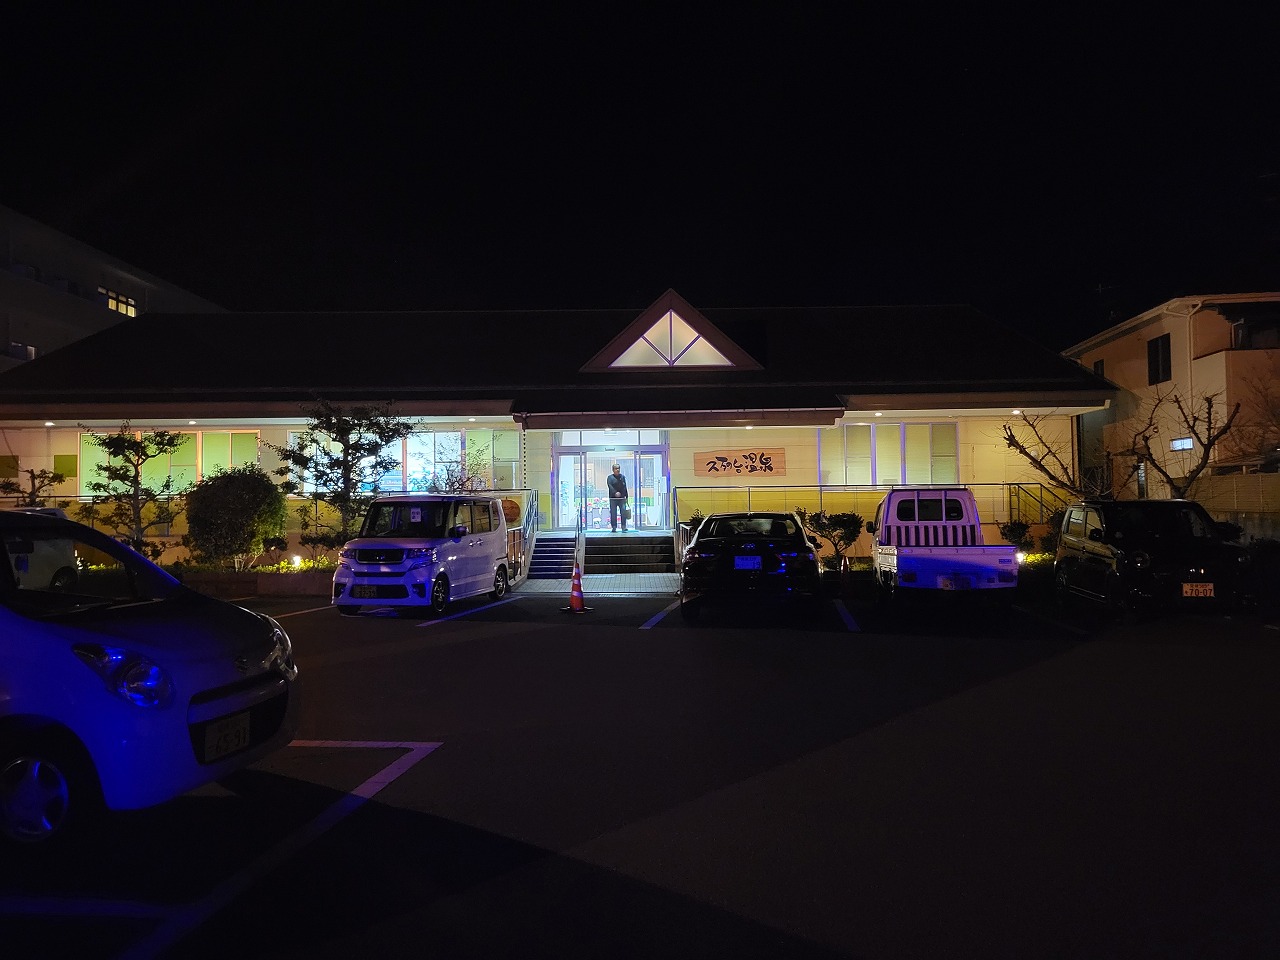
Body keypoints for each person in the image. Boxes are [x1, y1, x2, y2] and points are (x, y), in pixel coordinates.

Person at [606, 463, 629, 532]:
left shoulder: (622, 477)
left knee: (623, 512)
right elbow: (610, 486)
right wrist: (615, 493)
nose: (618, 470)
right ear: (613, 470)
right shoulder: (610, 477)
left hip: (622, 498)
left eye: (618, 468)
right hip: (613, 498)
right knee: (613, 513)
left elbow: (624, 486)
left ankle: (623, 526)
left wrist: (626, 496)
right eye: (616, 468)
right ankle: (614, 527)